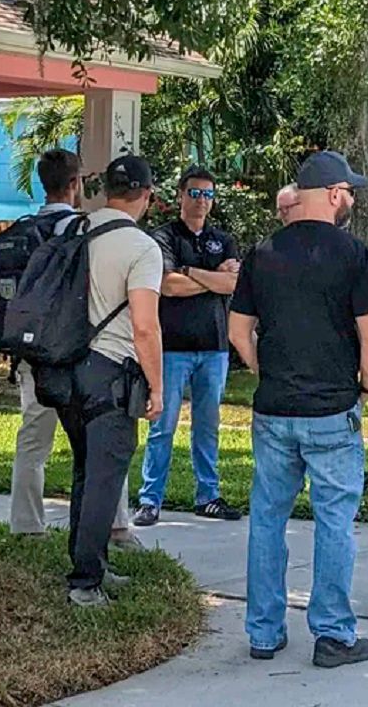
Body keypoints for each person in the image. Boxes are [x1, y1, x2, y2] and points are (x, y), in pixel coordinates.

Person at [229, 151, 368, 668]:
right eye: (350, 192)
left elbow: (237, 329)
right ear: (336, 194)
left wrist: (260, 367)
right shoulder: (355, 255)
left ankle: (264, 633)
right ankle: (333, 634)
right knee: (334, 521)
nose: (352, 200)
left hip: (274, 409)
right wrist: (366, 383)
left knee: (268, 518)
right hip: (332, 410)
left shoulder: (262, 253)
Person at [9, 149, 143, 550]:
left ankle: (26, 525)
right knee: (100, 446)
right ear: (75, 184)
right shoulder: (83, 230)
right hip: (76, 353)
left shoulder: (23, 228)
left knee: (33, 441)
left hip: (31, 353)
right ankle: (115, 526)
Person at [62, 155, 165, 608]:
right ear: (146, 194)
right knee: (106, 477)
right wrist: (157, 387)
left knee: (86, 470)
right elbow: (145, 326)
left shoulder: (75, 230)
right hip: (111, 370)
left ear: (107, 191)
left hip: (65, 367)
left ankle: (93, 561)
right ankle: (85, 583)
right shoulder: (141, 248)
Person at [133, 166, 242, 527]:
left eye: (208, 195)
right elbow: (167, 285)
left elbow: (232, 286)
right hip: (172, 347)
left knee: (207, 426)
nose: (201, 201)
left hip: (214, 347)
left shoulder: (222, 240)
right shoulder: (162, 238)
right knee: (163, 425)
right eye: (194, 193)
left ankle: (208, 496)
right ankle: (150, 500)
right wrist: (212, 277)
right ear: (180, 195)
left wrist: (192, 272)